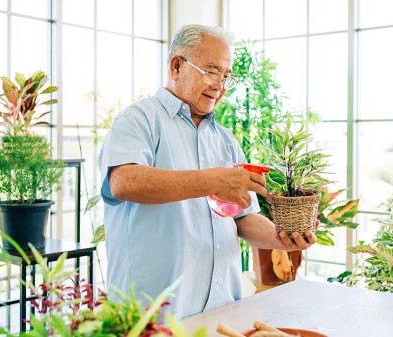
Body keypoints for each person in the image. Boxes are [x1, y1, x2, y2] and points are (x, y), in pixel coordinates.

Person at [99, 24, 318, 318]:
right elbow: (124, 182)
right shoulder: (138, 120)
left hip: (222, 311)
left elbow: (243, 217)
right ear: (176, 66)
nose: (220, 85)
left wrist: (281, 238)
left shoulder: (225, 139)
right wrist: (214, 180)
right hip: (151, 319)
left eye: (227, 76)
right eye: (211, 71)